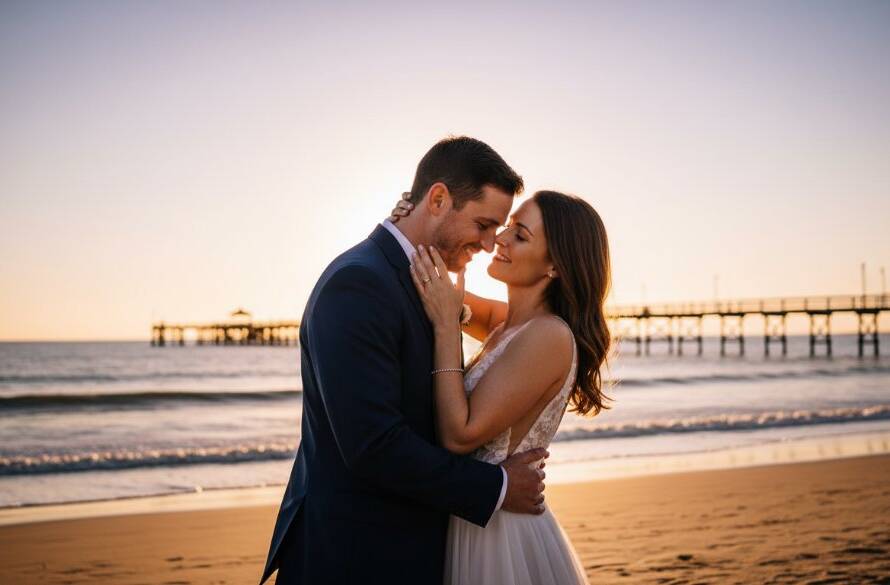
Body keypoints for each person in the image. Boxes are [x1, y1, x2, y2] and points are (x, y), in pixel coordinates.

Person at [260, 136, 550, 585]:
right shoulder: (359, 283)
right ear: (438, 199)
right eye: (484, 225)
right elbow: (373, 446)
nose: (492, 242)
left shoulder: (426, 279)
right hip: (356, 556)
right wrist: (498, 487)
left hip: (409, 546)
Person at [392, 188, 613, 584]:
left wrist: (447, 328)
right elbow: (432, 283)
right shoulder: (506, 322)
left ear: (556, 267)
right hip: (475, 516)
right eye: (508, 226)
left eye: (521, 235)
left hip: (499, 535)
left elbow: (460, 435)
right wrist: (415, 227)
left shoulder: (549, 336)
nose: (500, 239)